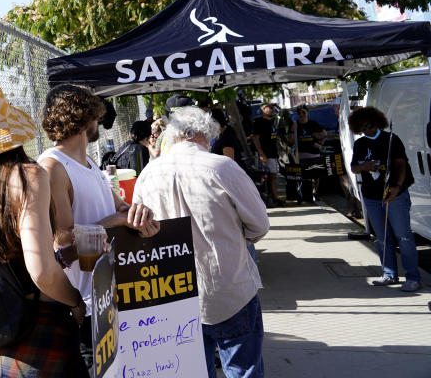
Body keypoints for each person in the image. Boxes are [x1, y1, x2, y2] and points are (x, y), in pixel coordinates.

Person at [0, 83, 89, 377]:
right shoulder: (28, 176)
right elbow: (40, 271)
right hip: (41, 326)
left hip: (2, 329)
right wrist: (75, 301)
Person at [133, 106, 270, 378]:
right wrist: (234, 236)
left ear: (172, 136)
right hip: (229, 288)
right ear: (208, 135)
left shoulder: (148, 174)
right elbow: (260, 225)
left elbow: (140, 232)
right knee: (243, 370)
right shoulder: (222, 166)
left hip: (175, 293)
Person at [38, 85, 158, 371]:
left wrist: (138, 215)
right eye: (96, 115)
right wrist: (118, 220)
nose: (99, 124)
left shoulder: (89, 161)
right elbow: (63, 238)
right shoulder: (52, 166)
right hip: (86, 303)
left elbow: (118, 206)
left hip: (110, 291)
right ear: (85, 117)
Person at [348, 106, 421, 292]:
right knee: (382, 237)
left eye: (370, 125)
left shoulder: (391, 139)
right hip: (372, 196)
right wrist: (365, 166)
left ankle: (413, 277)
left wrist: (396, 188)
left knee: (403, 236)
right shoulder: (360, 144)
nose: (367, 130)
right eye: (363, 128)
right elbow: (354, 167)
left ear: (378, 122)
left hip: (394, 194)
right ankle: (389, 274)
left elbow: (401, 165)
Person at [250, 103, 285, 206]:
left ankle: (275, 198)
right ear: (263, 109)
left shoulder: (273, 121)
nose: (272, 109)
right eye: (270, 108)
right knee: (263, 177)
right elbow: (255, 138)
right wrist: (261, 153)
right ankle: (265, 199)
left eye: (273, 108)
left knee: (273, 176)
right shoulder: (259, 122)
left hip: (273, 153)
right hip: (264, 154)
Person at [295, 105, 327, 202]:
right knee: (303, 176)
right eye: (299, 113)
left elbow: (324, 134)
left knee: (316, 175)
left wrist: (320, 143)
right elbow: (290, 139)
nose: (301, 114)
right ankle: (303, 194)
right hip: (301, 154)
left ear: (307, 113)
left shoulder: (313, 124)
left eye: (303, 112)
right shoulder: (295, 124)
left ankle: (314, 193)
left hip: (314, 153)